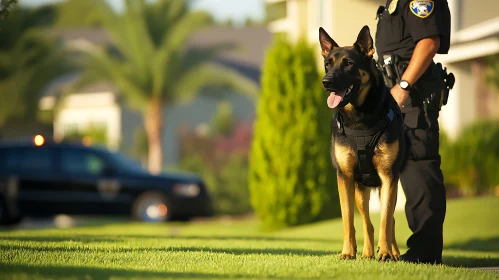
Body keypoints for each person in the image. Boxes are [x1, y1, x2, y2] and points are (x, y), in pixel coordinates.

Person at [375, 0, 452, 264]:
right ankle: (417, 249)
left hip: (414, 99)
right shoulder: (391, 5)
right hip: (397, 101)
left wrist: (404, 85)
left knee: (420, 168)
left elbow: (429, 42)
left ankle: (426, 253)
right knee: (406, 170)